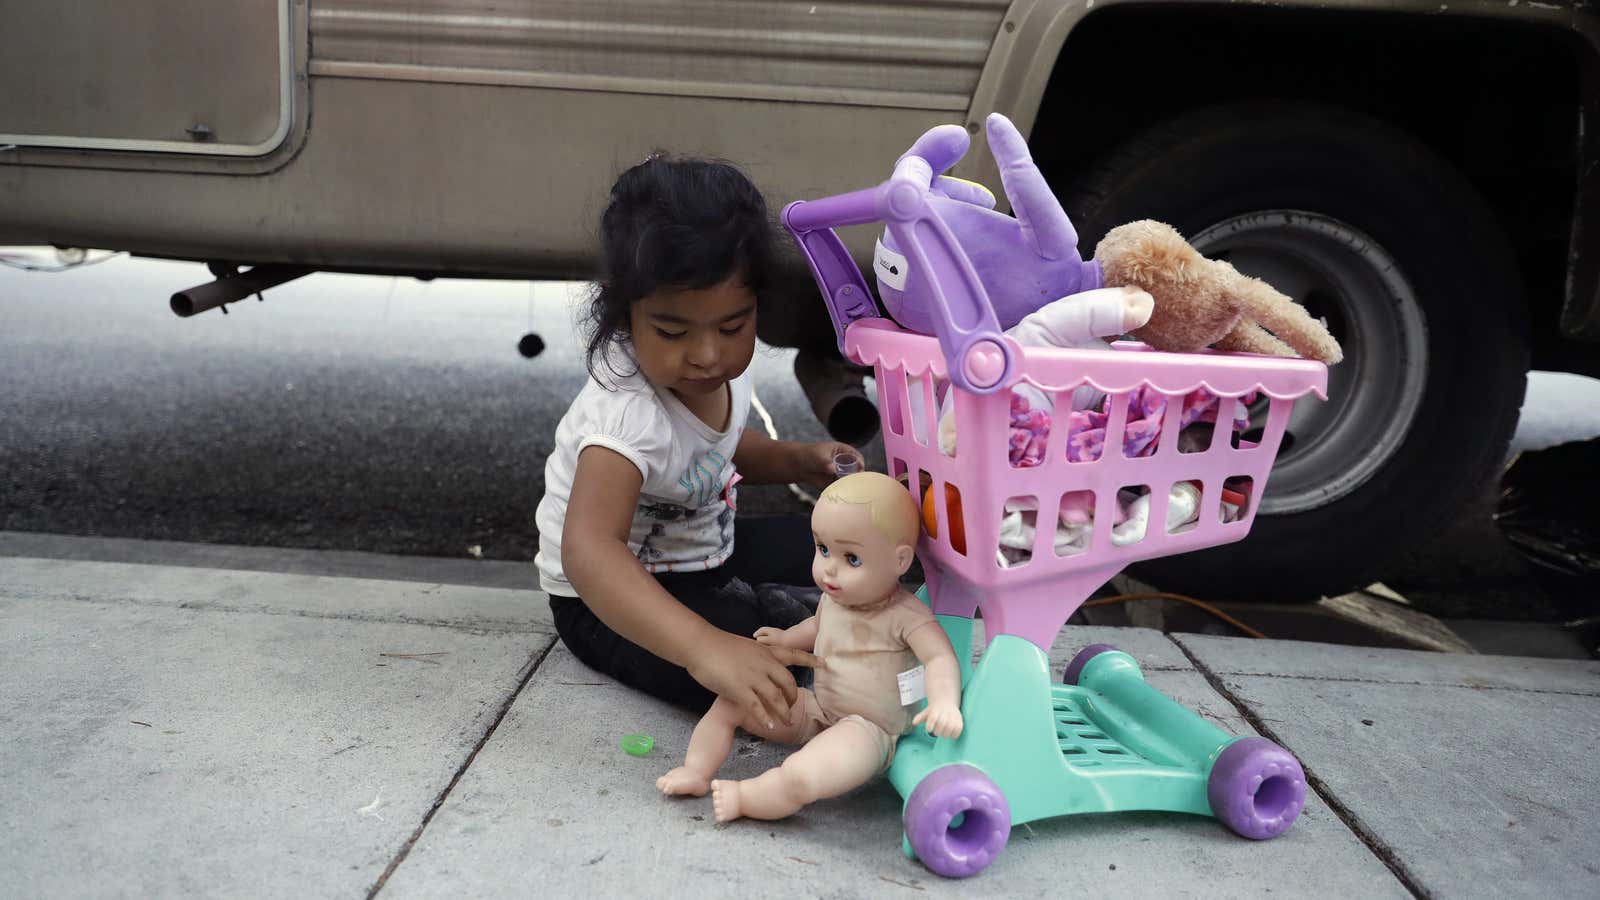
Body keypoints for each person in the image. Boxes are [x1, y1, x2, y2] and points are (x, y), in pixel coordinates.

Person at [535, 153, 862, 725]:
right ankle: (755, 621)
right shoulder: (625, 417)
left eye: (733, 326)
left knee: (853, 549)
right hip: (604, 600)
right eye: (672, 331)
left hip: (703, 552)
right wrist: (704, 648)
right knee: (767, 677)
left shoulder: (708, 370)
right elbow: (591, 552)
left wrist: (796, 459)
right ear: (623, 316)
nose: (709, 354)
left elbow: (718, 445)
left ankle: (767, 610)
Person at [656, 472, 964, 823]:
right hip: (819, 708)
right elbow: (818, 627)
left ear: (900, 561)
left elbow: (939, 657)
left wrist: (944, 702)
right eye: (823, 549)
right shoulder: (836, 600)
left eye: (852, 559)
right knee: (736, 699)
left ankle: (749, 797)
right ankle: (696, 770)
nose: (829, 570)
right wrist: (786, 639)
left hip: (868, 729)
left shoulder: (906, 616)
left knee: (806, 772)